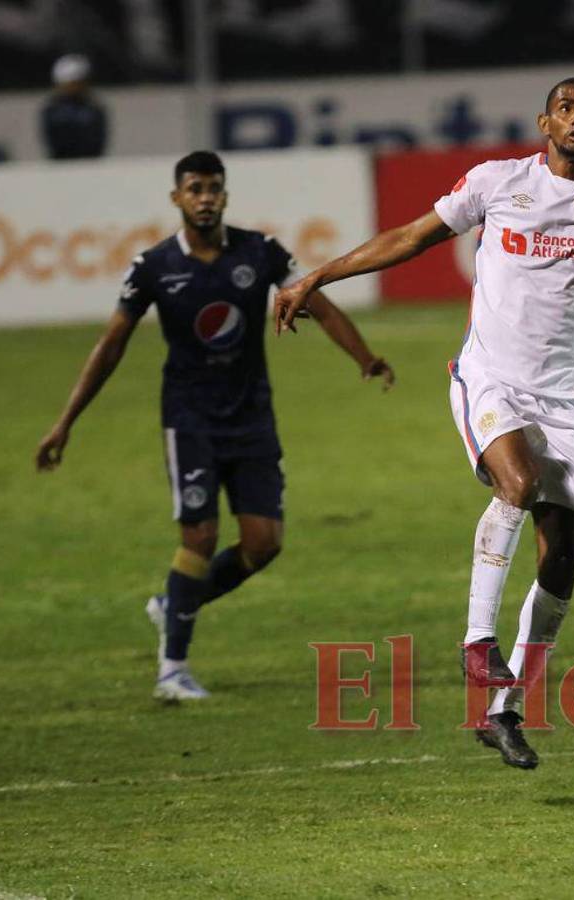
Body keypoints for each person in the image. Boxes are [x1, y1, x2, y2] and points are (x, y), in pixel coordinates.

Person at [273, 80, 574, 769]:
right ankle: (478, 642)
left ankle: (503, 710)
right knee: (518, 482)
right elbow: (411, 237)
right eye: (566, 108)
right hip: (491, 379)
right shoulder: (497, 182)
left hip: (565, 404)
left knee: (563, 557)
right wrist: (318, 277)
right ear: (544, 123)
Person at [35, 151, 393, 701]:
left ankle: (174, 604)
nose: (205, 198)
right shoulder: (153, 267)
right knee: (199, 537)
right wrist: (65, 423)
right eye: (195, 189)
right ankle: (172, 671)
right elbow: (110, 346)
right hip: (190, 422)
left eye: (213, 188)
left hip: (252, 418)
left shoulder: (260, 251)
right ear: (177, 198)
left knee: (264, 543)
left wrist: (363, 357)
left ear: (225, 196)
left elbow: (317, 305)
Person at [41, 54, 109, 160]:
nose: (74, 87)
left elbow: (97, 142)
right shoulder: (52, 111)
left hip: (90, 162)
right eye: (70, 83)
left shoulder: (94, 109)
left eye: (78, 83)